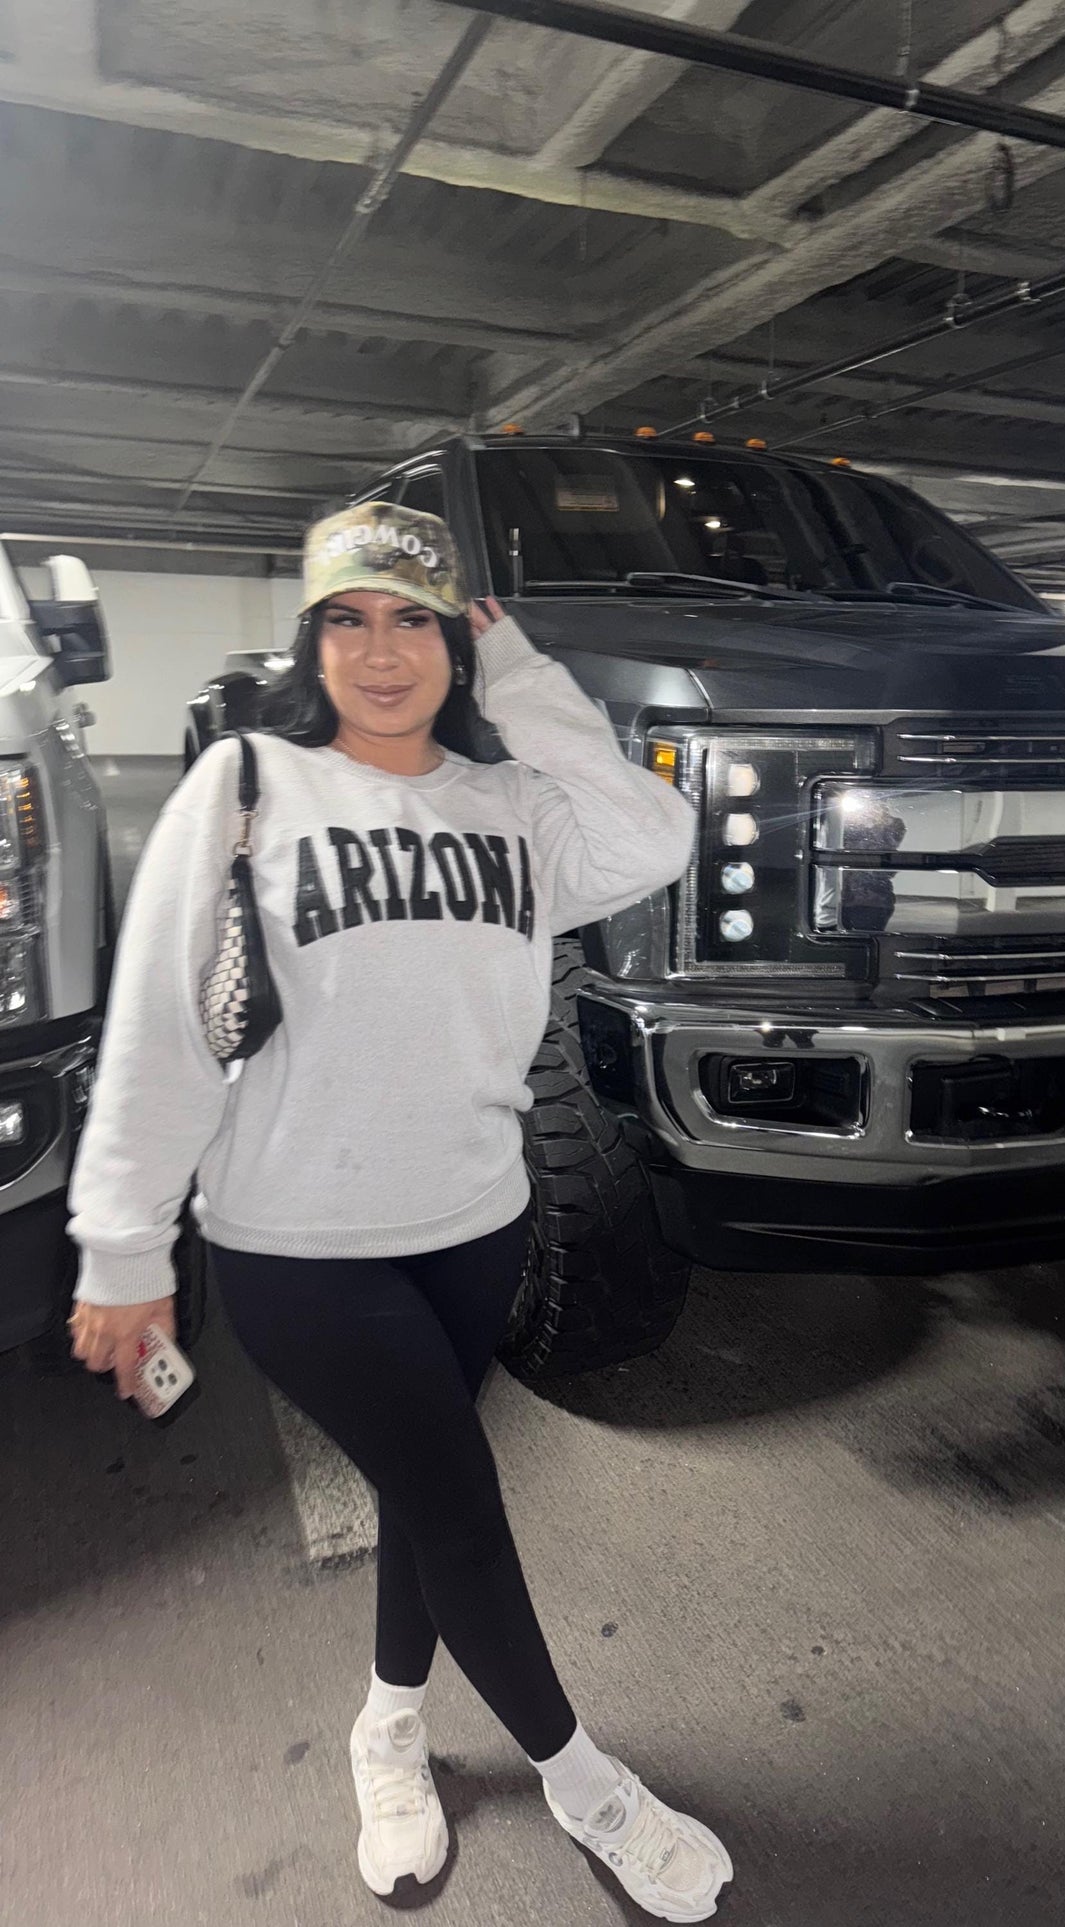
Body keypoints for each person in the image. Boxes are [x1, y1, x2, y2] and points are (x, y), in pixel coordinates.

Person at [65, 503, 732, 1921]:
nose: (382, 651)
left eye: (414, 620)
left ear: (454, 643)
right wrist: (124, 1248)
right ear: (312, 639)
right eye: (350, 620)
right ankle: (584, 1781)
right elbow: (160, 1027)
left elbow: (657, 834)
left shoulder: (511, 813)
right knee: (460, 1501)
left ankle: (387, 1724)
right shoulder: (249, 786)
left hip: (477, 1226)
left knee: (425, 1498)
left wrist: (533, 684)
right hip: (300, 1248)